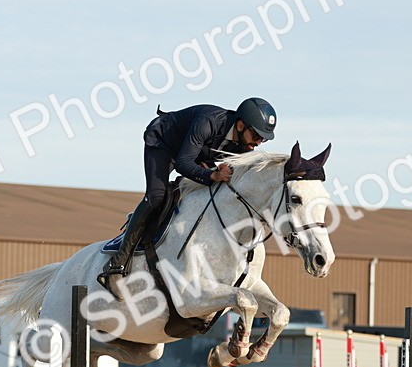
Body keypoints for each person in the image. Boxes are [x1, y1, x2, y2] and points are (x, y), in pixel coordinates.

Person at [97, 97, 278, 294]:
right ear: (241, 125)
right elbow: (183, 163)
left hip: (197, 152)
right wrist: (211, 174)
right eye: (257, 136)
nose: (259, 142)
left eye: (264, 139)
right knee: (157, 196)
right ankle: (117, 264)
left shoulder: (245, 145)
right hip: (164, 143)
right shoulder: (207, 122)